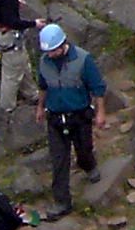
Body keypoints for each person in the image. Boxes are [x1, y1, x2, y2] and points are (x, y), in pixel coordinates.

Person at [34, 21, 107, 215]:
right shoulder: (44, 62)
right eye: (47, 52)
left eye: (53, 51)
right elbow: (43, 86)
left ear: (62, 44)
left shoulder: (83, 59)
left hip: (79, 116)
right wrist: (40, 107)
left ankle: (89, 165)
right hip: (55, 117)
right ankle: (62, 202)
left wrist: (100, 112)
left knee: (84, 150)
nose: (50, 55)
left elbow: (98, 87)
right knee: (58, 160)